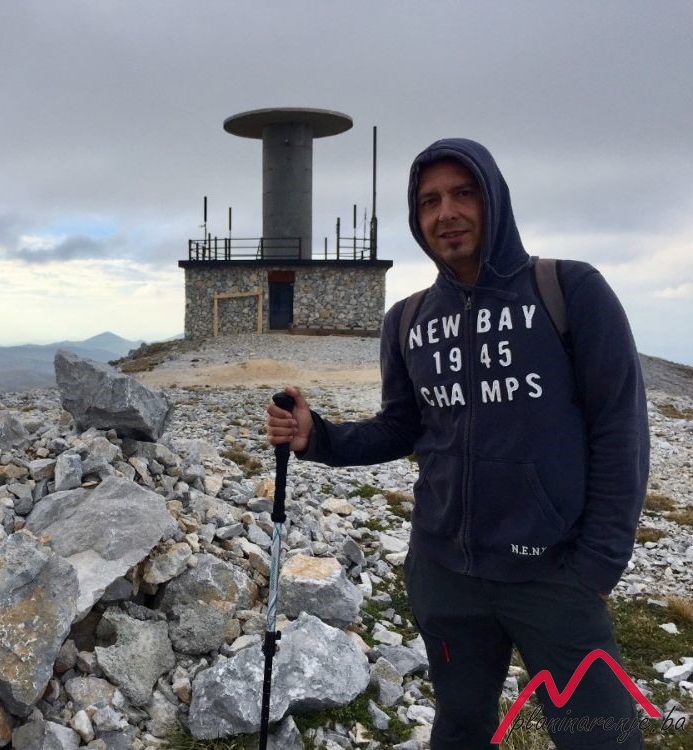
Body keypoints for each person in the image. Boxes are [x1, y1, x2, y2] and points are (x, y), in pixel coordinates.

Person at [267, 138, 650, 749]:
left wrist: (597, 566)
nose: (446, 212)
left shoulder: (570, 290)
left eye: (463, 193)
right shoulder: (408, 319)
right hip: (444, 574)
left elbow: (620, 431)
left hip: (553, 573)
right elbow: (402, 426)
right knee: (463, 727)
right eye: (429, 201)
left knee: (602, 737)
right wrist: (321, 437)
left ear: (494, 198)